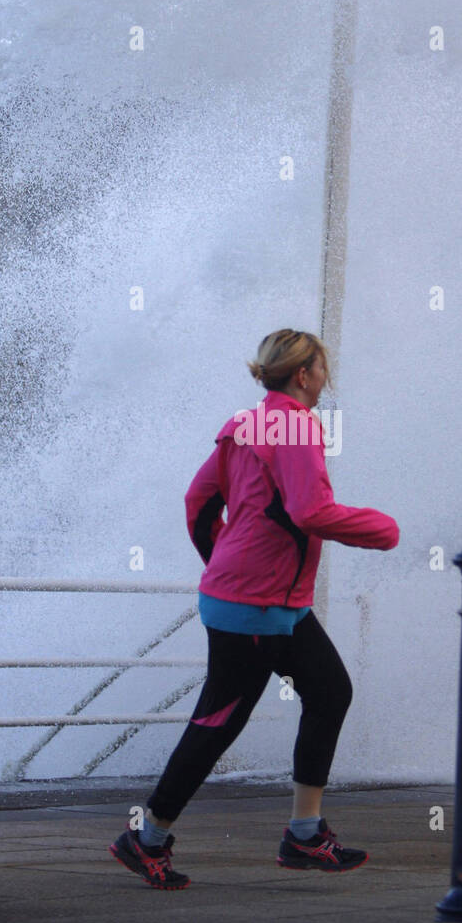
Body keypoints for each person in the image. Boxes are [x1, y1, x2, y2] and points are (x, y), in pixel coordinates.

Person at [110, 328, 399, 889]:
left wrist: (220, 558)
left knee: (328, 692)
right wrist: (381, 529)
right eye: (321, 368)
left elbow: (199, 502)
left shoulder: (245, 424)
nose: (325, 378)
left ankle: (304, 834)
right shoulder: (294, 428)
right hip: (256, 605)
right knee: (218, 723)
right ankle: (145, 839)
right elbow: (311, 510)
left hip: (268, 601)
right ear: (302, 374)